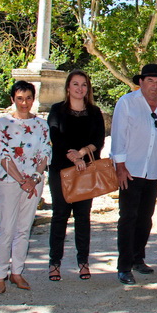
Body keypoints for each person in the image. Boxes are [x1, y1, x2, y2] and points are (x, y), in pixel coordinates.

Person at [113, 64, 157, 284]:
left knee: (145, 218)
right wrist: (119, 166)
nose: (155, 86)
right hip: (131, 170)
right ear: (141, 82)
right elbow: (118, 135)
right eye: (150, 81)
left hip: (153, 171)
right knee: (128, 218)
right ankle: (124, 266)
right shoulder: (127, 102)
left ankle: (138, 258)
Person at [0, 81, 51, 293]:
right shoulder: (2, 124)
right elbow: (3, 154)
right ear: (12, 99)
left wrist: (33, 178)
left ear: (33, 99)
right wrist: (21, 180)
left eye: (28, 98)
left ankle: (17, 272)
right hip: (10, 181)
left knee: (23, 229)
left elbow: (45, 153)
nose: (24, 102)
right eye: (20, 98)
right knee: (6, 228)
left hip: (33, 182)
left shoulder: (41, 125)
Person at [47, 70, 105, 282]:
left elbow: (98, 141)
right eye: (75, 84)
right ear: (68, 87)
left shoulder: (95, 112)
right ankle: (54, 263)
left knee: (83, 218)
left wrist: (81, 154)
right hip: (60, 171)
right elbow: (54, 136)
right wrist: (73, 157)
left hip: (85, 172)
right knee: (59, 216)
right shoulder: (56, 110)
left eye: (84, 85)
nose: (80, 88)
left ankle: (83, 262)